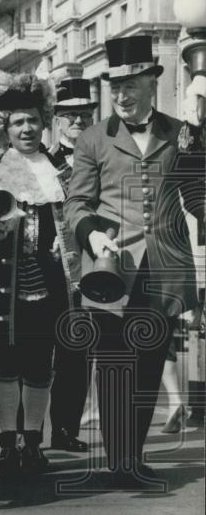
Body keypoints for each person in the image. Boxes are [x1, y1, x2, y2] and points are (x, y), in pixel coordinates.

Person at [65, 35, 204, 485]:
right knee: (113, 363)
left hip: (163, 266)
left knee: (147, 361)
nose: (121, 96)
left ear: (151, 82)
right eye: (115, 87)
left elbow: (196, 197)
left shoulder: (180, 133)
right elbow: (76, 204)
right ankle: (118, 460)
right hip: (110, 268)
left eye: (130, 86)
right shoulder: (93, 139)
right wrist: (91, 237)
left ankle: (132, 455)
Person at [0, 70, 82, 474]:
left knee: (39, 365)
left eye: (33, 120)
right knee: (3, 364)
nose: (27, 128)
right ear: (6, 127)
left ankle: (32, 442)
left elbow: (77, 215)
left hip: (49, 286)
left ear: (44, 121)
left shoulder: (64, 173)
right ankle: (6, 444)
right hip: (3, 287)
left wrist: (66, 239)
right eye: (18, 122)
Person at [47, 78, 99, 453]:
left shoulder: (101, 159)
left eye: (84, 114)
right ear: (57, 120)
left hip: (87, 265)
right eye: (70, 115)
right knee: (34, 354)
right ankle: (25, 434)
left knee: (76, 352)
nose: (78, 120)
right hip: (44, 266)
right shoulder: (43, 161)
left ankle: (64, 429)